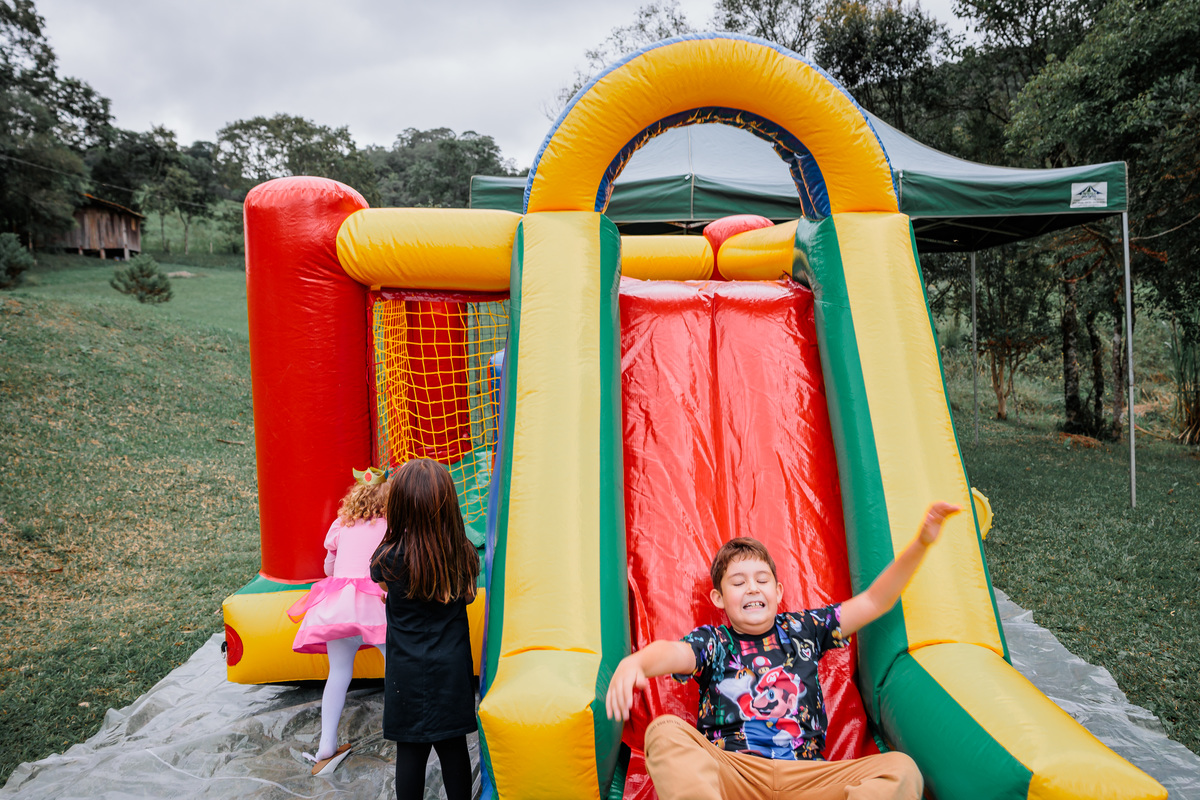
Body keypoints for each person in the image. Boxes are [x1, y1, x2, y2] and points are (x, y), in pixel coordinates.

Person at [605, 501, 962, 800]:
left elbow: (873, 601)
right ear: (719, 598)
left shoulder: (803, 630)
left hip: (807, 777)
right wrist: (637, 662)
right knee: (664, 731)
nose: (751, 589)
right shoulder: (715, 642)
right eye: (738, 582)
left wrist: (921, 543)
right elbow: (672, 653)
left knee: (900, 771)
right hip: (736, 773)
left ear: (778, 591)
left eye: (761, 580)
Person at [371, 458, 479, 800]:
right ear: (447, 507)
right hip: (451, 670)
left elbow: (382, 584)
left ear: (400, 507)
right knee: (453, 748)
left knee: (411, 751)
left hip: (406, 672)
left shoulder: (388, 557)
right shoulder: (461, 554)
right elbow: (469, 594)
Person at [287, 467, 390, 776]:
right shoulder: (389, 525)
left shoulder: (340, 526)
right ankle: (406, 728)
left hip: (338, 604)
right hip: (374, 604)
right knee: (397, 667)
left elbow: (329, 567)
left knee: (339, 673)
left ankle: (326, 744)